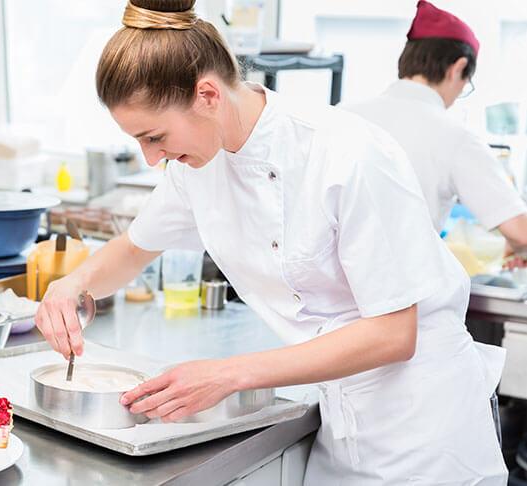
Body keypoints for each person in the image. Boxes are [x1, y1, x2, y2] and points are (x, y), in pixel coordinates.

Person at [34, 1, 508, 483]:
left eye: (154, 137)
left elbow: (393, 333)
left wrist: (226, 374)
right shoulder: (197, 163)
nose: (152, 158)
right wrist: (72, 284)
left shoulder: (347, 153)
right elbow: (135, 248)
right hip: (340, 427)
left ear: (208, 95)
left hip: (427, 434)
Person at [344, 0, 527, 265]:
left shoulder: (343, 114)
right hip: (407, 296)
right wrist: (518, 247)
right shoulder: (455, 136)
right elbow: (520, 231)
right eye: (466, 83)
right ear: (457, 68)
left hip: (327, 297)